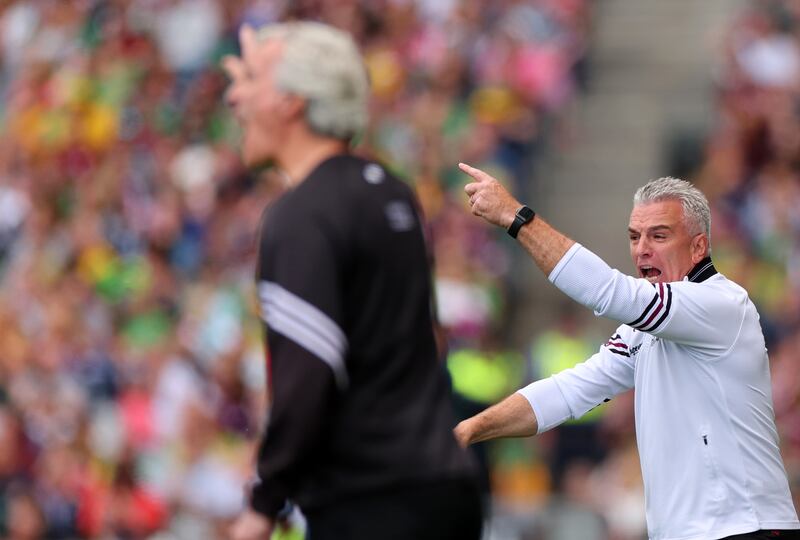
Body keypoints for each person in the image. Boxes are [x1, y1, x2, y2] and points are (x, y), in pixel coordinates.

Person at [222, 22, 482, 540]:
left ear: (290, 102)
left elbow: (307, 376)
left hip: (370, 502)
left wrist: (262, 504)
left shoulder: (300, 215)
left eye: (252, 81)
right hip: (446, 487)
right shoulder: (391, 191)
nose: (234, 96)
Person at [455, 163, 800, 540]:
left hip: (746, 528)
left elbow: (608, 291)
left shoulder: (720, 304)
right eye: (634, 237)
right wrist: (470, 429)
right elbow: (569, 391)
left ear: (699, 246)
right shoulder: (644, 329)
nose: (642, 249)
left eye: (659, 236)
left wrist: (515, 217)